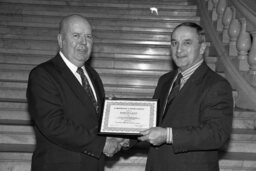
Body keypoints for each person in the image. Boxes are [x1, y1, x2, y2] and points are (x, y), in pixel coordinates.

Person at [26, 14, 124, 171]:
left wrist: (123, 136)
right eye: (76, 35)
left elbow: (95, 121)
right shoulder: (43, 74)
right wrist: (101, 144)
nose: (83, 42)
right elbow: (53, 124)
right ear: (60, 40)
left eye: (88, 37)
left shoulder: (92, 75)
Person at [138, 22, 233, 171]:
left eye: (187, 43)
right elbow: (153, 121)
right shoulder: (165, 80)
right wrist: (124, 137)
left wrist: (168, 135)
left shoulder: (217, 85)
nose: (179, 49)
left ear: (202, 48)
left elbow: (216, 134)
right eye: (174, 43)